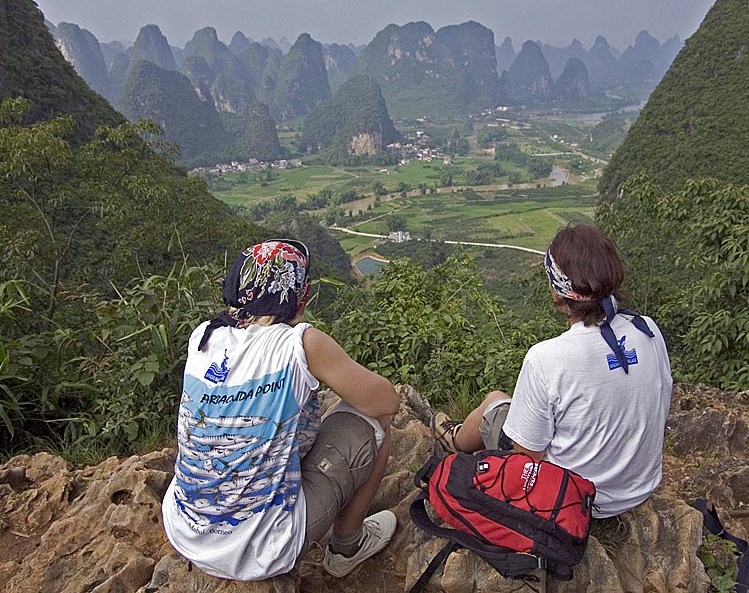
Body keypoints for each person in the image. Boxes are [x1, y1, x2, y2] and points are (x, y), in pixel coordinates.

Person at [162, 239, 401, 580]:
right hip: (260, 550)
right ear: (300, 295)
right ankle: (348, 547)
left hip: (186, 530)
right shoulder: (301, 343)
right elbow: (386, 401)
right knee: (376, 419)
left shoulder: (204, 335)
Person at [432, 224, 673, 518]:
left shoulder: (546, 358)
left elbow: (526, 460)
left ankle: (454, 440)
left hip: (575, 502)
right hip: (639, 490)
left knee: (495, 403)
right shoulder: (647, 330)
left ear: (558, 292)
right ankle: (456, 436)